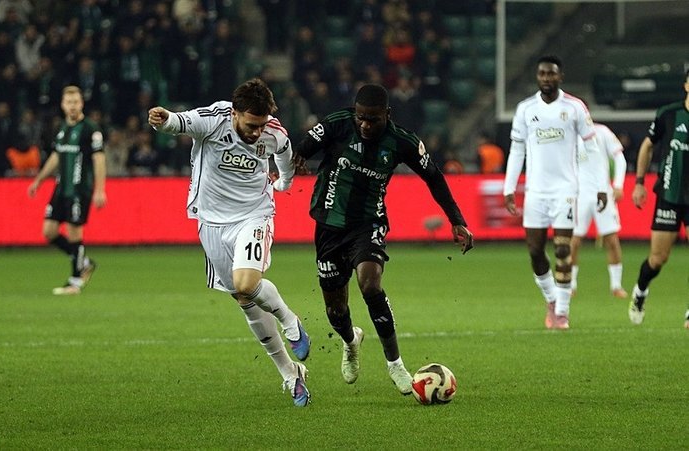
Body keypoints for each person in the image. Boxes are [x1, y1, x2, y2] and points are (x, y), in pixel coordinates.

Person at [294, 84, 474, 395]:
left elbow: (434, 177)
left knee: (370, 285)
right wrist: (295, 160)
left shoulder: (402, 141)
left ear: (387, 115)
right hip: (328, 226)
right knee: (336, 310)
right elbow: (301, 148)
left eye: (373, 119)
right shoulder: (338, 123)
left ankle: (395, 364)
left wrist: (457, 219)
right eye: (361, 118)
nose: (365, 125)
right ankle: (351, 340)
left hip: (368, 224)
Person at [147, 78, 312, 406]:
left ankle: (290, 320)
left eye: (261, 125)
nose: (256, 132)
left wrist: (285, 182)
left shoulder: (273, 132)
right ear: (235, 113)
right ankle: (290, 373)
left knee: (246, 282)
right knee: (242, 297)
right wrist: (163, 119)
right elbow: (179, 122)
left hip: (254, 216)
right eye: (251, 125)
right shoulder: (214, 119)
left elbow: (284, 152)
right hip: (210, 221)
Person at [503, 55, 607, 330]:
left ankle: (562, 311)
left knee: (562, 248)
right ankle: (551, 298)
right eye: (542, 74)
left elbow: (592, 149)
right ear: (537, 77)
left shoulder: (574, 107)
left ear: (560, 77)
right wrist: (509, 187)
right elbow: (517, 149)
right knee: (535, 251)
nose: (546, 78)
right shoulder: (526, 109)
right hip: (536, 192)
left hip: (565, 190)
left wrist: (601, 186)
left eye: (551, 74)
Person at [27, 86, 105, 295]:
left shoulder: (90, 129)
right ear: (63, 105)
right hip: (61, 188)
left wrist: (100, 190)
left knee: (74, 233)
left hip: (80, 189)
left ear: (82, 104)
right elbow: (56, 156)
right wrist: (39, 180)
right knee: (49, 232)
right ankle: (84, 262)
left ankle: (75, 282)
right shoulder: (61, 128)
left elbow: (99, 159)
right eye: (69, 102)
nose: (72, 106)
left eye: (76, 102)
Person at [628, 69, 689, 328]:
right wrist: (639, 183)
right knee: (658, 258)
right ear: (686, 85)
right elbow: (647, 146)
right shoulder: (668, 114)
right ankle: (640, 291)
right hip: (669, 195)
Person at [571, 122, 628, 298]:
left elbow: (620, 158)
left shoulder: (602, 132)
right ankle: (570, 285)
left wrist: (618, 184)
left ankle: (616, 286)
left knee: (611, 240)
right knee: (573, 241)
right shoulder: (569, 134)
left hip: (603, 192)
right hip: (578, 195)